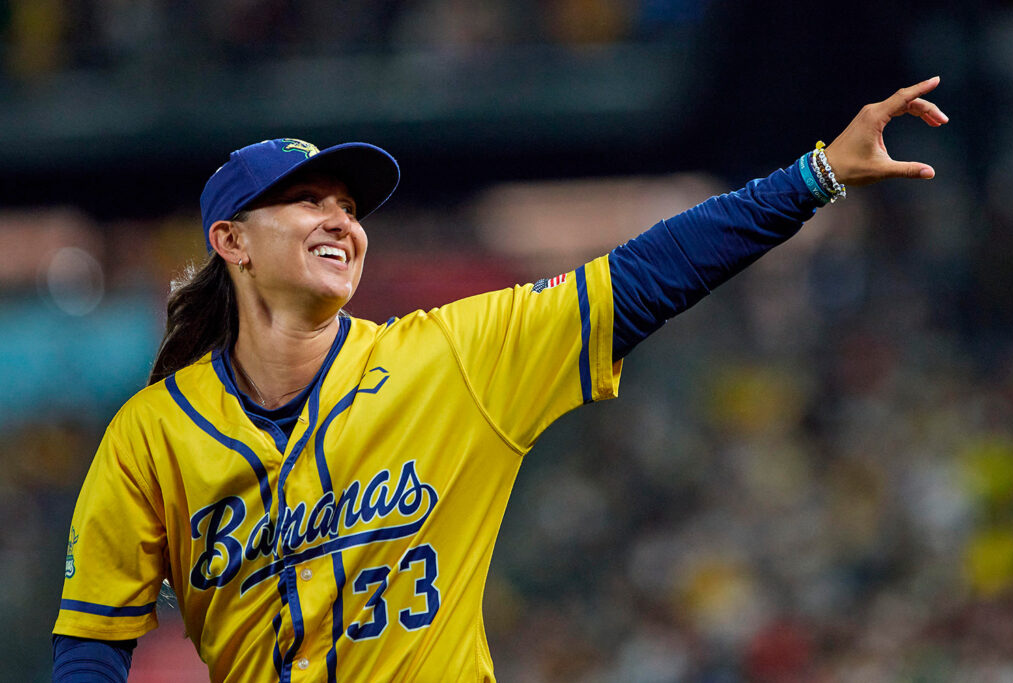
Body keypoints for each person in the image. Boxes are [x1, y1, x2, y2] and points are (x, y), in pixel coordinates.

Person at [52, 78, 947, 682]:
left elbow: (639, 277)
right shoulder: (151, 435)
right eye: (307, 201)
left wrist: (815, 174)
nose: (340, 221)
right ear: (232, 241)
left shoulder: (450, 356)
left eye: (350, 208)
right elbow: (92, 643)